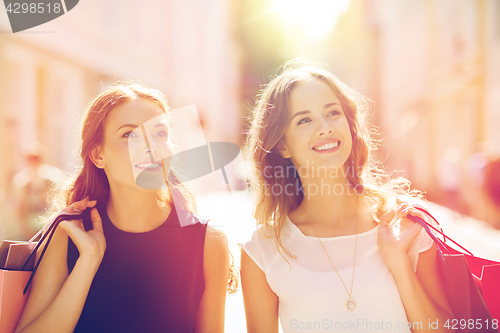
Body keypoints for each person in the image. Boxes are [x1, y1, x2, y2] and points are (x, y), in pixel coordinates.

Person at [241, 60, 454, 332]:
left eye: (332, 113)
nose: (325, 127)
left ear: (349, 124)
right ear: (282, 145)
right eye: (304, 119)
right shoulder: (263, 250)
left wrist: (399, 264)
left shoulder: (403, 223)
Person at [15, 81, 235, 333]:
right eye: (129, 135)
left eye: (159, 134)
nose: (151, 148)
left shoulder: (208, 241)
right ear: (98, 155)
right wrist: (87, 263)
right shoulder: (69, 234)